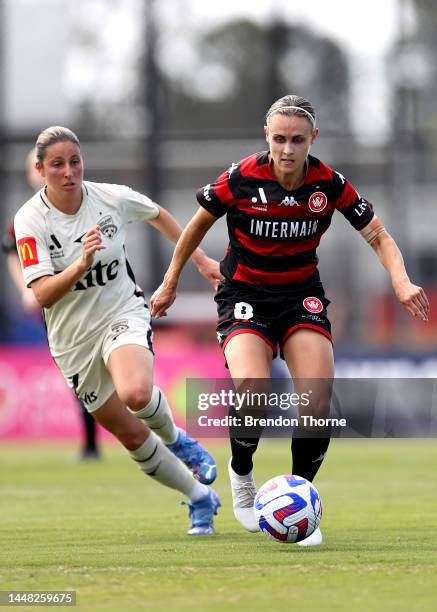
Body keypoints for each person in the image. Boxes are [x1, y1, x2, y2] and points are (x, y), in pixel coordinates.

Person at [150, 94, 430, 545]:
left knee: (317, 401)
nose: (287, 149)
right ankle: (242, 474)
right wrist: (170, 281)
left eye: (297, 140)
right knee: (254, 389)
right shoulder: (240, 178)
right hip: (244, 295)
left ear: (312, 139)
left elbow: (377, 234)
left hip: (301, 297)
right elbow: (197, 225)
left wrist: (400, 281)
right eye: (279, 138)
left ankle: (302, 502)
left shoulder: (329, 184)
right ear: (267, 137)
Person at [13, 126, 222, 535]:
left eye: (75, 161)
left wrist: (199, 260)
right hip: (73, 341)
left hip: (121, 313)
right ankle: (199, 498)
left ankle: (179, 441)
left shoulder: (110, 198)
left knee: (136, 393)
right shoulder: (29, 221)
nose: (69, 172)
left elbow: (157, 213)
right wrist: (79, 265)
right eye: (57, 164)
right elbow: (42, 295)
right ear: (40, 170)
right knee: (129, 436)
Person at [2, 149, 101, 461]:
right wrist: (27, 289)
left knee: (108, 369)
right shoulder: (25, 219)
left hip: (93, 300)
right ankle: (91, 444)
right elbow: (11, 253)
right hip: (57, 307)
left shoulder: (87, 204)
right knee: (77, 373)